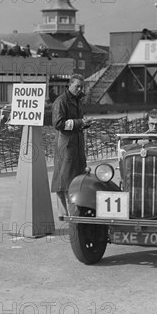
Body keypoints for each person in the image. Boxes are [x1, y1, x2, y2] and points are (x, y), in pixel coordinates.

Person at [50, 74, 91, 215]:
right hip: (65, 145)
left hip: (75, 144)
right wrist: (80, 122)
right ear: (70, 85)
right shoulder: (61, 101)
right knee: (65, 180)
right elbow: (58, 124)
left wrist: (85, 124)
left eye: (81, 87)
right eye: (77, 86)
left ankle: (73, 213)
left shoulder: (77, 100)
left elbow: (76, 122)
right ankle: (65, 215)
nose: (79, 89)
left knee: (76, 178)